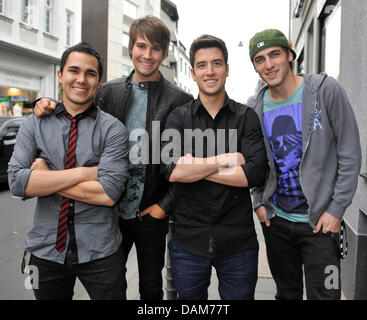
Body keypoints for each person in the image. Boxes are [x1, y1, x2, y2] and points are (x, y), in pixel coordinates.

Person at [33, 16, 193, 300]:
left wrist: (163, 206)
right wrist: (46, 104)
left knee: (151, 289)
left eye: (156, 48)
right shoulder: (109, 91)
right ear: (131, 48)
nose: (147, 55)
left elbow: (186, 163)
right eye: (141, 46)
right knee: (112, 284)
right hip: (108, 212)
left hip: (150, 213)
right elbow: (76, 111)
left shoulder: (179, 100)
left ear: (165, 53)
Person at [8, 42, 129, 300]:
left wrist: (45, 175)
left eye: (90, 73)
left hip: (102, 252)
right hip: (43, 251)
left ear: (99, 81)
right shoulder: (34, 123)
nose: (81, 79)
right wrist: (87, 174)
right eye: (74, 71)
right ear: (60, 75)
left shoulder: (113, 129)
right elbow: (17, 183)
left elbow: (108, 194)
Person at [247, 29, 361, 300]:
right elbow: (256, 162)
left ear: (289, 55)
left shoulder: (325, 90)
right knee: (286, 294)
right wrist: (258, 203)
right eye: (260, 59)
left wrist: (336, 210)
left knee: (326, 295)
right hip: (277, 223)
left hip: (321, 224)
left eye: (274, 54)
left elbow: (350, 153)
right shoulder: (255, 107)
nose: (269, 64)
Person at [160, 34, 268, 300]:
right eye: (202, 65)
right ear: (194, 73)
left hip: (238, 242)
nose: (210, 71)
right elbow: (171, 170)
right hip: (188, 242)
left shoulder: (246, 117)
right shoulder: (178, 118)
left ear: (227, 69)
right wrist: (226, 159)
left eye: (217, 63)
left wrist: (194, 168)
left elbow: (254, 173)